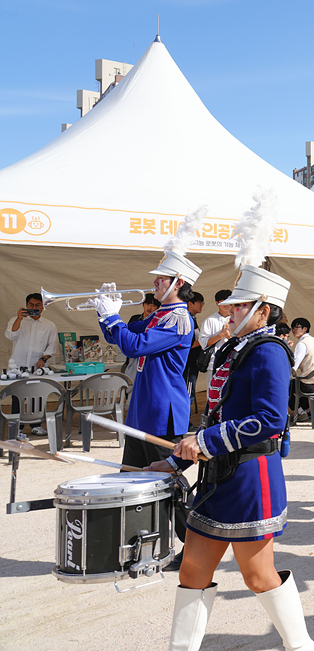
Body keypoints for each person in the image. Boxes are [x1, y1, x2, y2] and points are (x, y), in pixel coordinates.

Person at [146, 264, 314, 651]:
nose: (231, 310)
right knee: (192, 570)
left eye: (241, 306)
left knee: (258, 575)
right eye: (232, 304)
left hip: (249, 477)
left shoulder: (271, 351)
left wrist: (205, 442)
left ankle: (302, 647)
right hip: (216, 475)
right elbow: (215, 415)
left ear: (264, 310)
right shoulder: (230, 346)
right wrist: (178, 461)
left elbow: (270, 419)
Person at [95, 242, 203, 568]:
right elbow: (121, 336)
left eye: (161, 278)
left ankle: (199, 543)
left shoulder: (180, 319)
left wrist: (112, 315)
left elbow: (133, 345)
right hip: (143, 408)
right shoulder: (159, 314)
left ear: (178, 283)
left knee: (170, 484)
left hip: (162, 410)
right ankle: (140, 544)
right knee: (132, 477)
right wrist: (105, 315)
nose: (154, 282)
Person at [5, 292, 58, 436]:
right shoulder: (16, 320)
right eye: (31, 305)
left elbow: (51, 347)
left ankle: (36, 425)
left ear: (43, 307)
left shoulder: (50, 325)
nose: (34, 307)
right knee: (18, 396)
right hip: (17, 365)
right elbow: (10, 335)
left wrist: (44, 359)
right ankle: (18, 427)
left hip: (37, 366)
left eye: (37, 305)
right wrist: (19, 318)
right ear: (26, 305)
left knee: (37, 395)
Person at [290, 318, 314, 423]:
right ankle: (305, 409)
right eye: (293, 328)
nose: (294, 330)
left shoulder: (302, 344)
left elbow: (294, 366)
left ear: (305, 329)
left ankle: (300, 411)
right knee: (300, 379)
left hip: (310, 385)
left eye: (297, 327)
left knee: (286, 385)